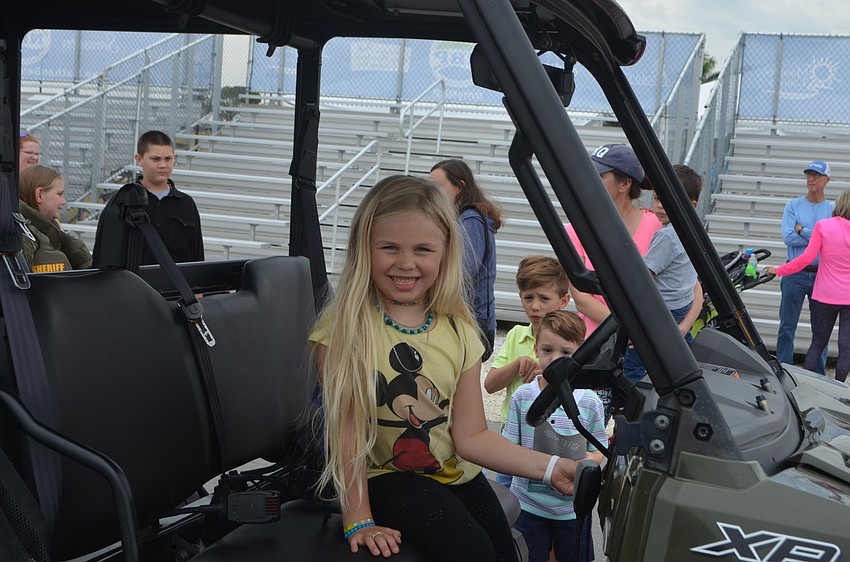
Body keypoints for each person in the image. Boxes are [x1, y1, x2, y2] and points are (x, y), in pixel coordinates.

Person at [309, 175, 578, 561]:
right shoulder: (342, 331)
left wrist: (551, 467)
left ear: (445, 252)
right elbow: (346, 436)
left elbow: (471, 437)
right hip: (384, 476)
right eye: (389, 247)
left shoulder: (459, 329)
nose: (406, 262)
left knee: (505, 552)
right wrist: (359, 519)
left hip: (453, 472)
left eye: (422, 248)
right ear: (363, 248)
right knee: (473, 552)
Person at [502, 311, 606, 562]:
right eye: (547, 350)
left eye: (566, 353)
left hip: (570, 511)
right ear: (536, 349)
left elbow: (600, 446)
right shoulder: (522, 397)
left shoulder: (590, 402)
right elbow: (506, 448)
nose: (555, 359)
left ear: (580, 354)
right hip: (528, 505)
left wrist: (591, 460)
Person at [484, 255, 570, 488]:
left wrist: (549, 374)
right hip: (512, 439)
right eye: (528, 297)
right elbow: (490, 385)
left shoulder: (571, 343)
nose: (534, 306)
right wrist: (517, 365)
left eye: (544, 298)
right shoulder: (515, 336)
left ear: (563, 301)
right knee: (507, 500)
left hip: (552, 443)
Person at [566, 144, 662, 336]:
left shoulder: (657, 227)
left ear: (624, 184)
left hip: (645, 342)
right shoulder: (575, 229)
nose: (587, 180)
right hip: (595, 343)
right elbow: (582, 299)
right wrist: (630, 329)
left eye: (599, 176)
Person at [622, 164, 704, 384]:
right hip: (682, 307)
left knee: (634, 368)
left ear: (691, 205)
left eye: (667, 202)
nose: (659, 207)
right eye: (657, 199)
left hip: (662, 312)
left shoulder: (667, 236)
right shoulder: (692, 229)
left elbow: (643, 278)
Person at [765, 189, 850, 384]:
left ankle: (807, 385)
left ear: (840, 205)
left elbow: (805, 259)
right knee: (846, 347)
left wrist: (779, 270)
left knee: (818, 342)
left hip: (826, 294)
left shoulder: (824, 226)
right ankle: (839, 390)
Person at [429, 159, 503, 360]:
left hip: (470, 320)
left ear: (459, 187)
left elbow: (462, 271)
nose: (432, 192)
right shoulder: (463, 218)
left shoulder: (470, 219)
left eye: (438, 187)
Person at [97, 130, 203, 264]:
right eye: (155, 159)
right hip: (134, 284)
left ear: (174, 158)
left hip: (176, 284)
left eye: (168, 158)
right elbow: (105, 254)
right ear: (139, 159)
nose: (163, 165)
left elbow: (196, 255)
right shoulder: (122, 201)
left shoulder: (186, 204)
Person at [775, 160, 834, 374]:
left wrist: (803, 230)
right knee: (787, 326)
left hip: (821, 275)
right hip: (794, 273)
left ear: (827, 180)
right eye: (808, 174)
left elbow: (831, 241)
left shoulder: (833, 209)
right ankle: (783, 370)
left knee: (821, 331)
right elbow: (788, 236)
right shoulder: (793, 205)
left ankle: (818, 376)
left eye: (816, 175)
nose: (811, 179)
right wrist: (817, 236)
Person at [18, 165, 92, 272]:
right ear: (39, 195)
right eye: (60, 194)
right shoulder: (24, 236)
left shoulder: (49, 233)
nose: (64, 201)